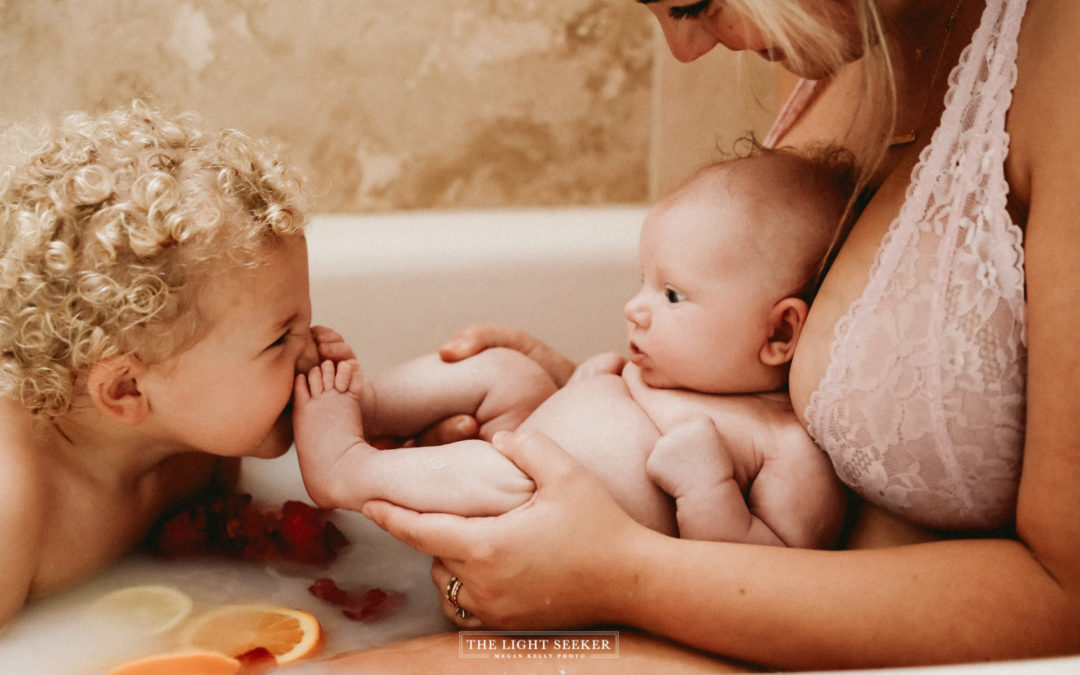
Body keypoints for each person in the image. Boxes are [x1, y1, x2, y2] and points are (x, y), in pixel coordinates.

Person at [329, 0, 1080, 670]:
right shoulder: (835, 42)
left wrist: (618, 570)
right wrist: (596, 415)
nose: (685, 53)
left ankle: (346, 461)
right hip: (712, 605)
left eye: (695, 4)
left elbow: (1068, 597)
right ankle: (345, 414)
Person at [293, 147, 851, 548]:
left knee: (506, 480)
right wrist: (585, 383)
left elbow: (756, 581)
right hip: (528, 445)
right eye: (642, 282)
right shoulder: (678, 375)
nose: (635, 307)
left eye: (673, 294)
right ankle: (364, 406)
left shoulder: (786, 449)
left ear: (778, 334)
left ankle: (346, 466)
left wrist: (708, 489)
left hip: (543, 528)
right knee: (510, 371)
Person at [0, 101, 356, 628]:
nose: (315, 349)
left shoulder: (195, 447)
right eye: (281, 338)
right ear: (126, 391)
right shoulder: (16, 507)